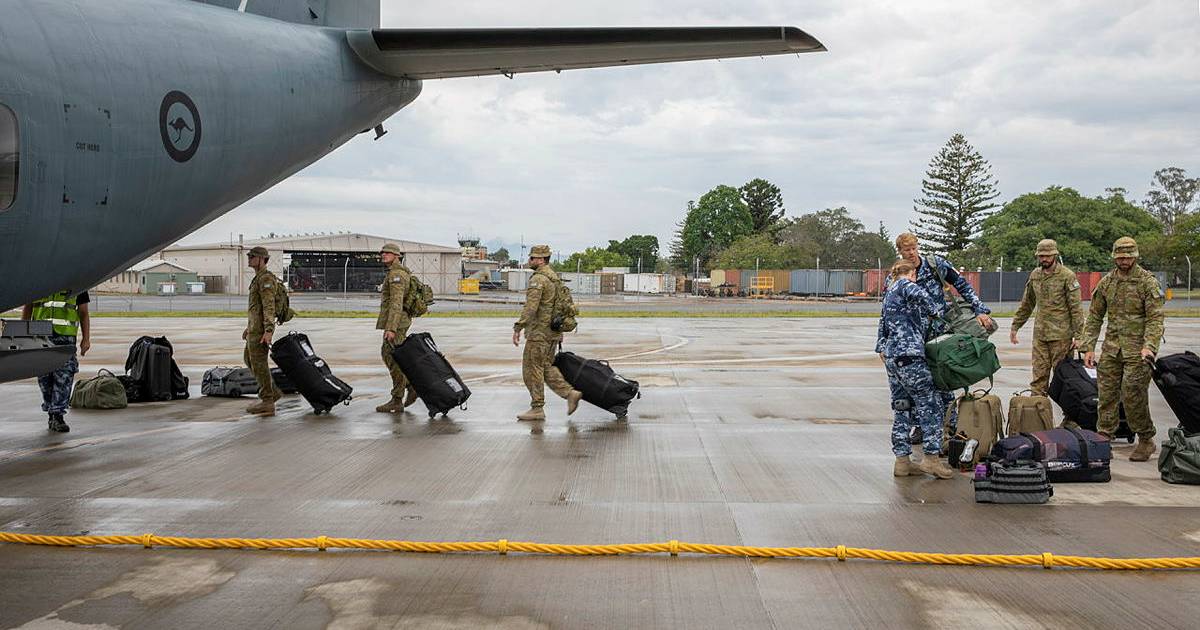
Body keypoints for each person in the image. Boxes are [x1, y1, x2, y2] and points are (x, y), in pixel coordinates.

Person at [894, 232, 994, 439]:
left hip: (939, 331)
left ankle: (951, 425)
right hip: (912, 337)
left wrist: (979, 310)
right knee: (916, 383)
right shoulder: (898, 275)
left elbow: (962, 285)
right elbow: (890, 309)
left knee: (944, 376)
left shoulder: (935, 265)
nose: (911, 253)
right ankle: (921, 426)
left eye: (914, 248)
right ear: (900, 251)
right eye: (907, 250)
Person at [1081, 237, 1165, 461]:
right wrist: (1088, 347)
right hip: (1112, 349)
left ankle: (1146, 438)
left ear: (1135, 256)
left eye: (1128, 257)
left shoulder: (1147, 282)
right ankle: (1103, 438)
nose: (1124, 261)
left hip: (1138, 351)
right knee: (1106, 395)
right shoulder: (1107, 283)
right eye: (1120, 257)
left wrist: (1150, 346)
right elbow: (1095, 317)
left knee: (1132, 395)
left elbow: (1155, 319)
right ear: (1114, 257)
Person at [876, 259, 954, 479]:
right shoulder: (905, 284)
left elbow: (882, 324)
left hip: (892, 356)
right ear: (911, 274)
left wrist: (881, 346)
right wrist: (936, 311)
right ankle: (931, 459)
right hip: (909, 355)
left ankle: (902, 462)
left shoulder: (890, 293)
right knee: (930, 403)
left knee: (902, 406)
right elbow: (923, 297)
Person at [511, 244, 582, 422]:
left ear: (541, 259)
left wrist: (519, 326)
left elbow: (531, 307)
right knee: (545, 367)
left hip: (539, 334)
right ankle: (569, 394)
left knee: (531, 369)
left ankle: (537, 408)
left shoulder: (539, 280)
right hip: (552, 332)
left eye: (533, 257)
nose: (530, 260)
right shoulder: (555, 279)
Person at [1009, 239, 1084, 397]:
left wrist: (1079, 336)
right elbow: (1027, 303)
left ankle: (1070, 419)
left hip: (1061, 337)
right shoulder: (1035, 275)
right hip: (1041, 336)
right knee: (1039, 378)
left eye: (1047, 256)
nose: (1044, 259)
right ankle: (1037, 414)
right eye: (1041, 256)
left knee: (1064, 378)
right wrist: (1015, 326)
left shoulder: (1067, 276)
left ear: (1055, 255)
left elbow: (1076, 309)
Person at [22, 289, 91, 432]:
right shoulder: (38, 282)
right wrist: (22, 335)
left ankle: (57, 414)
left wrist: (86, 339)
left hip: (64, 338)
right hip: (39, 335)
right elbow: (28, 307)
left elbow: (83, 312)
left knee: (64, 377)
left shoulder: (79, 284)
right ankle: (51, 412)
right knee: (44, 378)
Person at [375, 243, 419, 413]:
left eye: (388, 253)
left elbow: (396, 303)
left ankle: (397, 398)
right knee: (390, 356)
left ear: (396, 256)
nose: (383, 255)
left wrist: (391, 328)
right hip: (398, 322)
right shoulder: (395, 273)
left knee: (393, 358)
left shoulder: (397, 275)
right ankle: (408, 386)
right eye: (383, 253)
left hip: (397, 323)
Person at [242, 246, 281, 417]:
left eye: (253, 256)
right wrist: (248, 327)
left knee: (259, 364)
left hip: (261, 330)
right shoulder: (258, 278)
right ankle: (272, 392)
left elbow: (268, 306)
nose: (249, 258)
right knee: (249, 359)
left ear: (262, 259)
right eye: (249, 256)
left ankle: (267, 401)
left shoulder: (265, 279)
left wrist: (269, 330)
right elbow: (256, 308)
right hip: (254, 329)